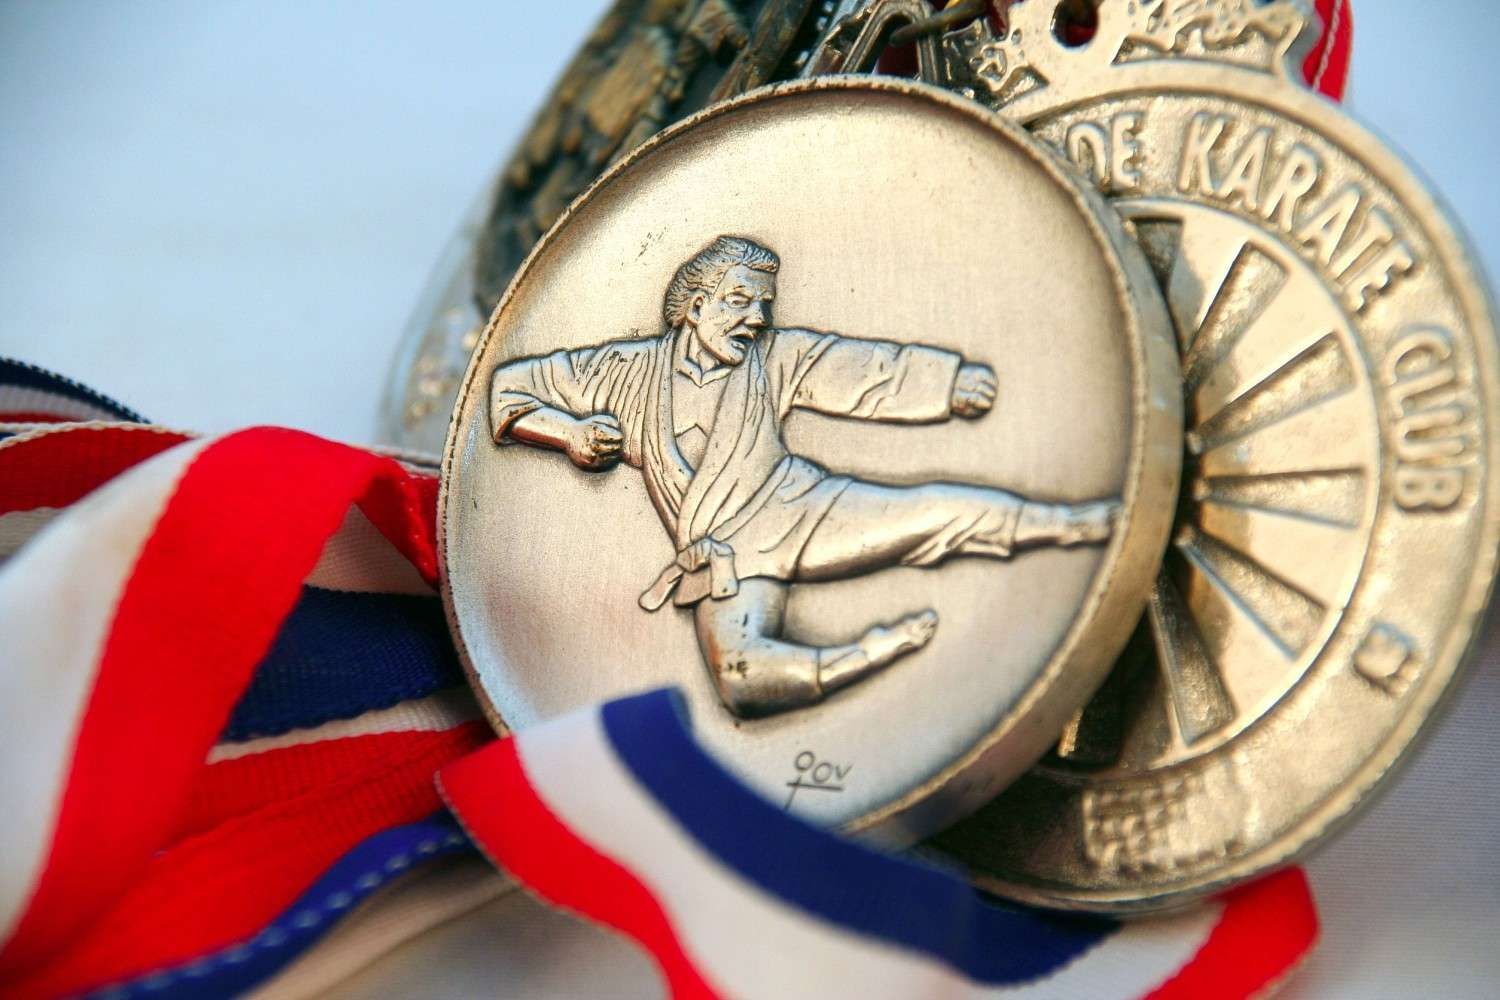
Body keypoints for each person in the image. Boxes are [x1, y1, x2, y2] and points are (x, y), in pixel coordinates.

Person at [489, 236, 1117, 717]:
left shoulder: (774, 358)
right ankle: (869, 653)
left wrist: (944, 383)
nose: (757, 318)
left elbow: (853, 368)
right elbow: (511, 387)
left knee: (925, 514)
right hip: (723, 556)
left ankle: (1068, 523)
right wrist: (566, 434)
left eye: (764, 305)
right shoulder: (621, 372)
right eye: (741, 301)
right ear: (697, 303)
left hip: (798, 507)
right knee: (739, 682)